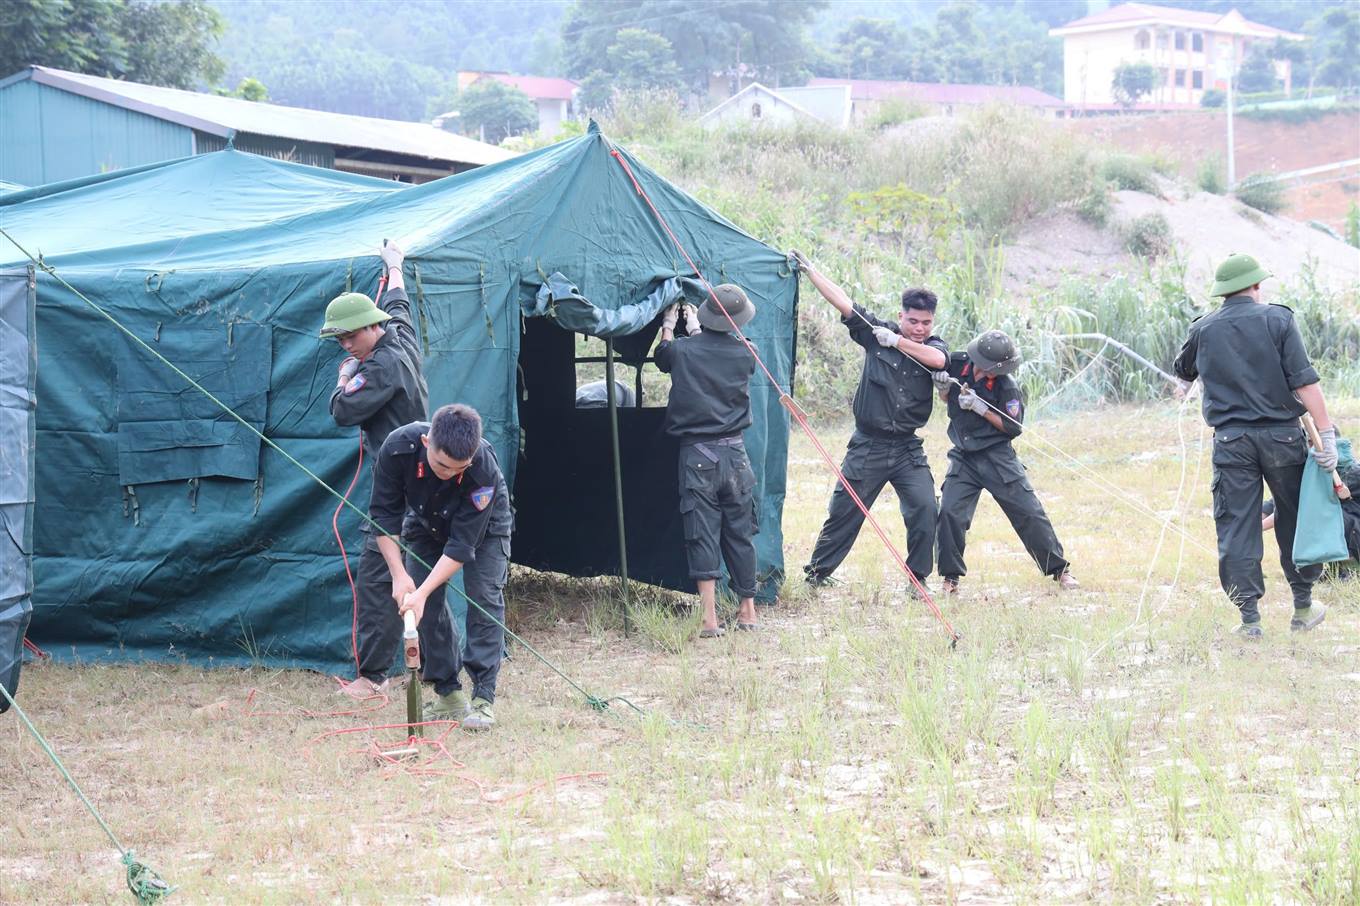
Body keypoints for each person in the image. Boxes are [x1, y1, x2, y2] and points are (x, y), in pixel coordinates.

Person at [1173, 252, 1336, 638]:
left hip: (1231, 442)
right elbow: (1304, 382)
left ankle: (1249, 620)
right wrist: (1326, 433)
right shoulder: (1279, 319)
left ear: (1222, 294)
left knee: (1237, 524)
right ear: (1257, 286)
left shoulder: (1203, 329)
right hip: (1283, 436)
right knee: (1295, 518)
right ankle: (1303, 606)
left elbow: (1182, 373)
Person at [793, 252, 947, 591]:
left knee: (925, 508)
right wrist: (812, 271)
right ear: (900, 316)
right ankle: (817, 575)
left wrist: (900, 341)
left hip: (907, 447)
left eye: (926, 323)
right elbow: (845, 303)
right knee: (844, 511)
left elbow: (938, 359)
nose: (919, 329)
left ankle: (917, 580)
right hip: (868, 444)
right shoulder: (877, 334)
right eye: (912, 322)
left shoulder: (931, 346)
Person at [319, 241, 430, 698]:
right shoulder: (400, 335)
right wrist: (395, 266)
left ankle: (372, 677)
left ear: (370, 327)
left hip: (398, 482)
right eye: (340, 340)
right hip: (422, 473)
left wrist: (346, 373)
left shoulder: (378, 368)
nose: (345, 345)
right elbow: (399, 302)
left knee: (377, 574)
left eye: (348, 338)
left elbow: (341, 411)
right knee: (413, 569)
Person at [369, 404, 513, 730]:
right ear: (426, 443)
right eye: (441, 465)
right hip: (424, 521)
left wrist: (421, 591)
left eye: (458, 468)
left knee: (484, 597)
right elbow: (383, 517)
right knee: (425, 606)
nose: (449, 473)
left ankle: (483, 698)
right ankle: (448, 693)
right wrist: (399, 575)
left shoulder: (483, 471)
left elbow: (462, 547)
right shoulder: (396, 449)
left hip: (484, 530)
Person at [933, 330, 1078, 594]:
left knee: (1028, 512)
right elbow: (943, 390)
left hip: (997, 456)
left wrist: (981, 409)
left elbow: (1012, 427)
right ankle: (950, 579)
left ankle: (1060, 571)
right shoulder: (955, 364)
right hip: (964, 456)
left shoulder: (1006, 386)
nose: (994, 374)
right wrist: (942, 389)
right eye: (991, 369)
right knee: (950, 513)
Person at [654, 288, 760, 637]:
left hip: (698, 455)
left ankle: (710, 619)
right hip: (736, 456)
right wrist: (699, 328)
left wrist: (671, 324)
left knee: (702, 535)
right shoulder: (747, 353)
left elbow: (665, 355)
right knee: (740, 534)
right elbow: (717, 351)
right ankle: (747, 612)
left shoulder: (682, 350)